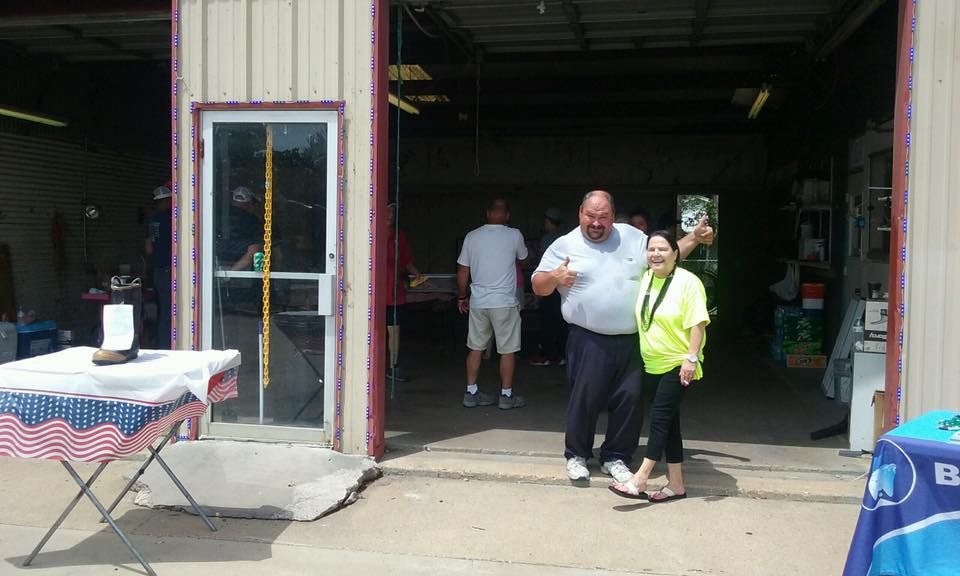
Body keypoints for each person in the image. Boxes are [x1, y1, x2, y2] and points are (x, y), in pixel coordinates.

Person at [532, 190, 712, 483]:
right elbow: (538, 286)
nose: (596, 223)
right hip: (588, 338)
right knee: (585, 399)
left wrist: (693, 237)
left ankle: (616, 456)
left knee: (629, 400)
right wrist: (554, 278)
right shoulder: (564, 244)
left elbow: (664, 257)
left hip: (632, 338)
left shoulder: (631, 236)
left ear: (613, 216)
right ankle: (577, 455)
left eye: (603, 217)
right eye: (590, 216)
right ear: (580, 213)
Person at [608, 231, 709, 502]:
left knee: (659, 420)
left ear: (675, 253)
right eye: (651, 249)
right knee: (670, 424)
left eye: (663, 249)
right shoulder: (647, 278)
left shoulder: (689, 282)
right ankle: (676, 484)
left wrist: (691, 358)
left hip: (679, 363)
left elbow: (698, 323)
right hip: (652, 363)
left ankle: (640, 478)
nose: (656, 254)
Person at [457, 198, 528, 410]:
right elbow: (523, 259)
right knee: (507, 350)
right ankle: (506, 396)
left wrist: (462, 296)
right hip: (504, 302)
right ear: (506, 216)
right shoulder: (514, 235)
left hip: (479, 302)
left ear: (488, 214)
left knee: (476, 348)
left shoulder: (472, 236)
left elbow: (463, 271)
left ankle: (471, 392)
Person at [384, 202, 423, 382]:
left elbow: (407, 262)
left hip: (394, 292)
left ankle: (393, 367)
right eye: (386, 213)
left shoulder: (399, 237)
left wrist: (420, 277)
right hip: (372, 294)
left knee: (394, 330)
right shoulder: (369, 234)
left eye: (392, 214)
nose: (390, 216)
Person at [530, 207, 567, 367]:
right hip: (564, 285)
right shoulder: (565, 238)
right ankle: (561, 354)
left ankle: (547, 354)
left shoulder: (547, 239)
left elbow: (542, 266)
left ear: (548, 221)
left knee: (547, 321)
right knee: (561, 321)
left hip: (550, 284)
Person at [145, 183, 172, 349]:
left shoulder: (151, 221)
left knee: (162, 309)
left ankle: (162, 344)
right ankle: (167, 345)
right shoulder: (170, 220)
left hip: (157, 270)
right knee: (170, 311)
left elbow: (148, 248)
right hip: (169, 270)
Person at [217, 186, 264, 271]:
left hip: (216, 259)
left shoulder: (215, 216)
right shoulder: (252, 220)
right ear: (250, 204)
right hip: (243, 270)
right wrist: (232, 273)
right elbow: (255, 248)